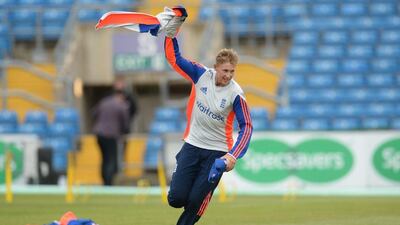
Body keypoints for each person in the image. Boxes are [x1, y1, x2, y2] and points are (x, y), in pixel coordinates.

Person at [163, 11, 253, 225]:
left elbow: (247, 126)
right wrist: (171, 34)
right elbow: (174, 59)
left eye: (232, 71)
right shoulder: (201, 75)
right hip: (192, 145)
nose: (228, 75)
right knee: (176, 199)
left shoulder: (236, 94)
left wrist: (232, 156)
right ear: (216, 68)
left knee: (195, 202)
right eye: (225, 70)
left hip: (216, 152)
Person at [92, 89, 130, 185]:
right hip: (111, 134)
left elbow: (94, 113)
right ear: (121, 96)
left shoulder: (104, 102)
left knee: (104, 158)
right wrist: (123, 131)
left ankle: (104, 180)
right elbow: (125, 122)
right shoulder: (121, 105)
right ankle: (108, 182)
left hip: (99, 133)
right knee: (111, 159)